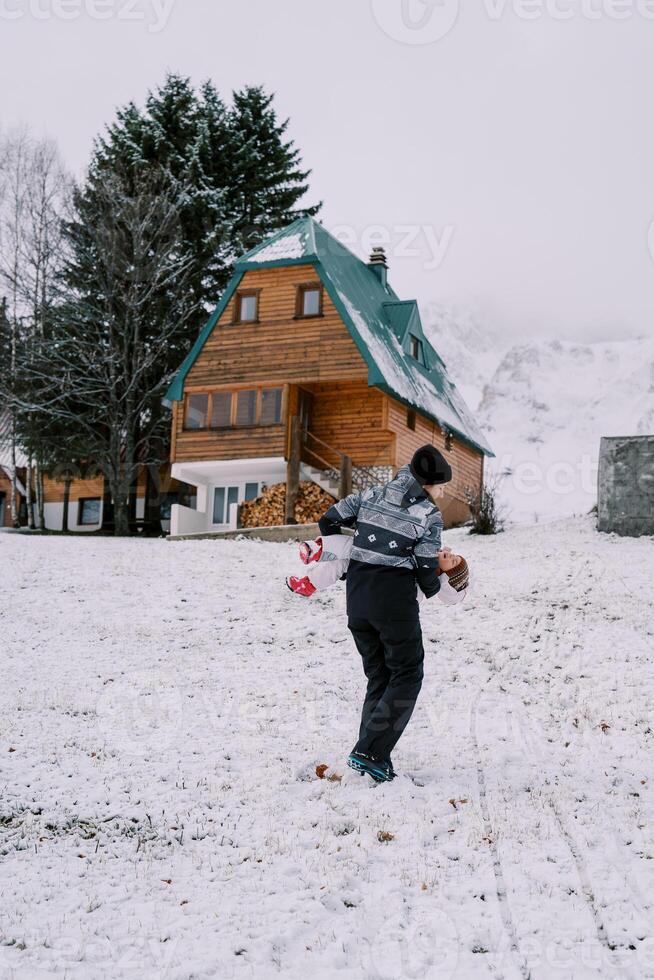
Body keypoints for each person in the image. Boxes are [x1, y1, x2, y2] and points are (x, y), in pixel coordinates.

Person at [313, 444, 455, 783]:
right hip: (394, 602)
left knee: (381, 677)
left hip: (358, 599)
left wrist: (346, 559)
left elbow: (328, 519)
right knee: (407, 674)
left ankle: (370, 757)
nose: (442, 492)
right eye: (441, 486)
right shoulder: (428, 515)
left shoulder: (370, 494)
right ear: (428, 483)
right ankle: (371, 753)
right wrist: (438, 586)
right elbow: (424, 567)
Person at [285, 535, 469, 605]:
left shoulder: (426, 583)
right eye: (455, 556)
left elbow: (409, 599)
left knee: (353, 546)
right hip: (378, 560)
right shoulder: (429, 551)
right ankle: (308, 583)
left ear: (445, 576)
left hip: (378, 578)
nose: (451, 557)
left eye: (453, 563)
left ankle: (319, 549)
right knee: (342, 562)